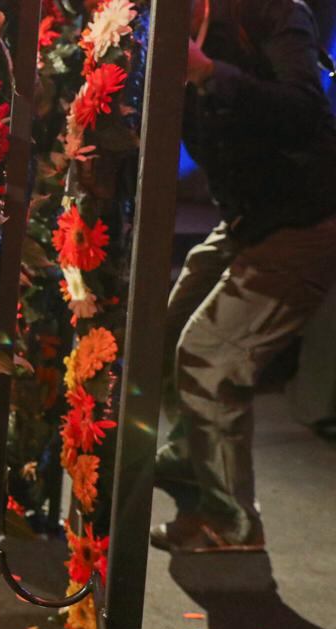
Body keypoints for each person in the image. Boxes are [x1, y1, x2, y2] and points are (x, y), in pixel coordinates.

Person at [152, 0, 336, 553]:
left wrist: (207, 74)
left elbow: (306, 109)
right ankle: (193, 464)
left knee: (211, 357)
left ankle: (232, 522)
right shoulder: (160, 39)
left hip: (305, 218)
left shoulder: (271, 13)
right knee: (170, 328)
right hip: (248, 216)